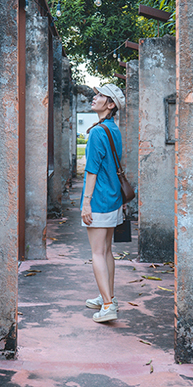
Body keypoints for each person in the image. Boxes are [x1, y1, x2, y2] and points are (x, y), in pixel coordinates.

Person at [81, 83, 126, 323]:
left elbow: (91, 170)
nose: (94, 97)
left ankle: (108, 305)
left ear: (110, 105)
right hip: (114, 197)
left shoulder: (99, 131)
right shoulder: (112, 129)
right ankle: (107, 296)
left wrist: (86, 202)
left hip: (98, 199)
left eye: (100, 96)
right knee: (107, 251)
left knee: (97, 252)